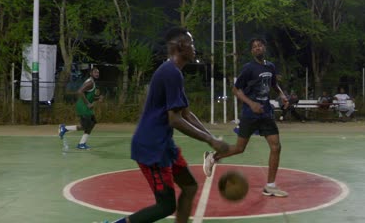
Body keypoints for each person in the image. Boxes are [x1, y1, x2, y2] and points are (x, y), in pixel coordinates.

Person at [110, 27, 229, 223]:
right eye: (191, 44)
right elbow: (175, 119)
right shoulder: (171, 72)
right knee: (165, 206)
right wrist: (210, 140)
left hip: (163, 145)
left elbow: (186, 114)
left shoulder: (173, 72)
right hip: (152, 147)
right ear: (180, 46)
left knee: (190, 187)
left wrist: (212, 139)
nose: (194, 48)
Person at [203, 37, 289, 197]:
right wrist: (251, 103)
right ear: (252, 51)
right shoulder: (248, 68)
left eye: (259, 45)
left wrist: (282, 96)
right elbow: (235, 90)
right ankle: (213, 156)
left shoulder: (270, 66)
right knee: (240, 148)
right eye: (254, 47)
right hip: (250, 113)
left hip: (266, 113)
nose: (257, 48)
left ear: (264, 47)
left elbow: (274, 84)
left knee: (276, 147)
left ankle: (270, 185)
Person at [58, 67, 103, 150]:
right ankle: (65, 128)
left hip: (86, 107)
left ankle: (82, 143)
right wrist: (88, 104)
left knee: (92, 123)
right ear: (91, 73)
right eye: (95, 72)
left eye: (98, 72)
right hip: (83, 107)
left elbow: (89, 96)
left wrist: (97, 98)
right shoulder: (90, 82)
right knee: (85, 126)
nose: (97, 74)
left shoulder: (92, 82)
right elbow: (80, 91)